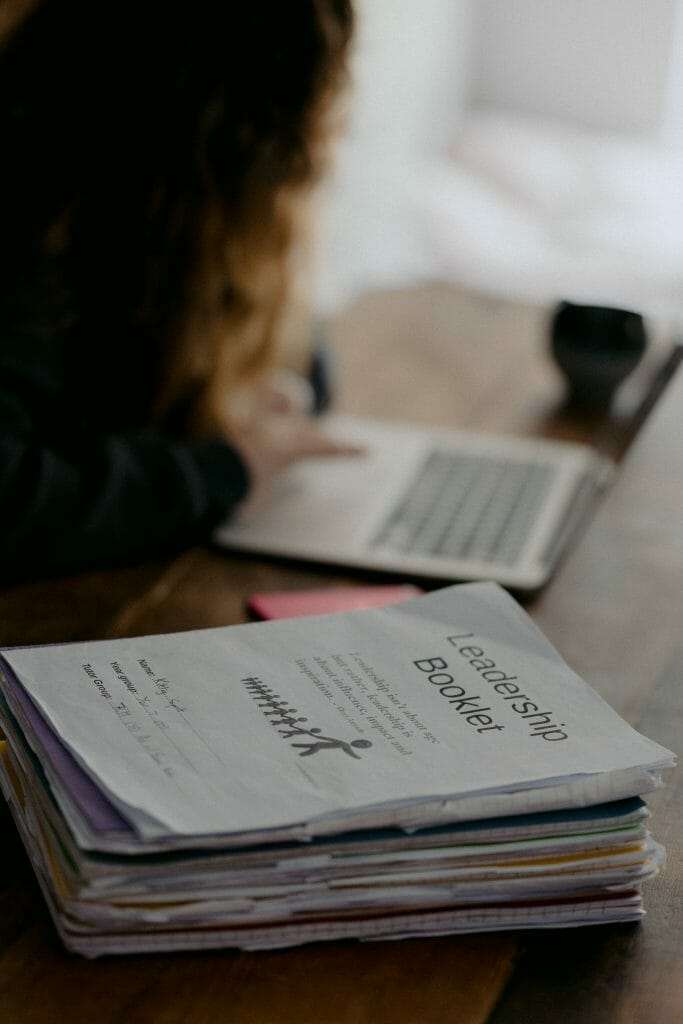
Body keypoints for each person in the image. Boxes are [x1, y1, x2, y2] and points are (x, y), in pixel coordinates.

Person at [0, 0, 356, 583]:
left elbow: (302, 354)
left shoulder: (164, 233)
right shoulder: (33, 235)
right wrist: (226, 468)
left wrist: (270, 386)